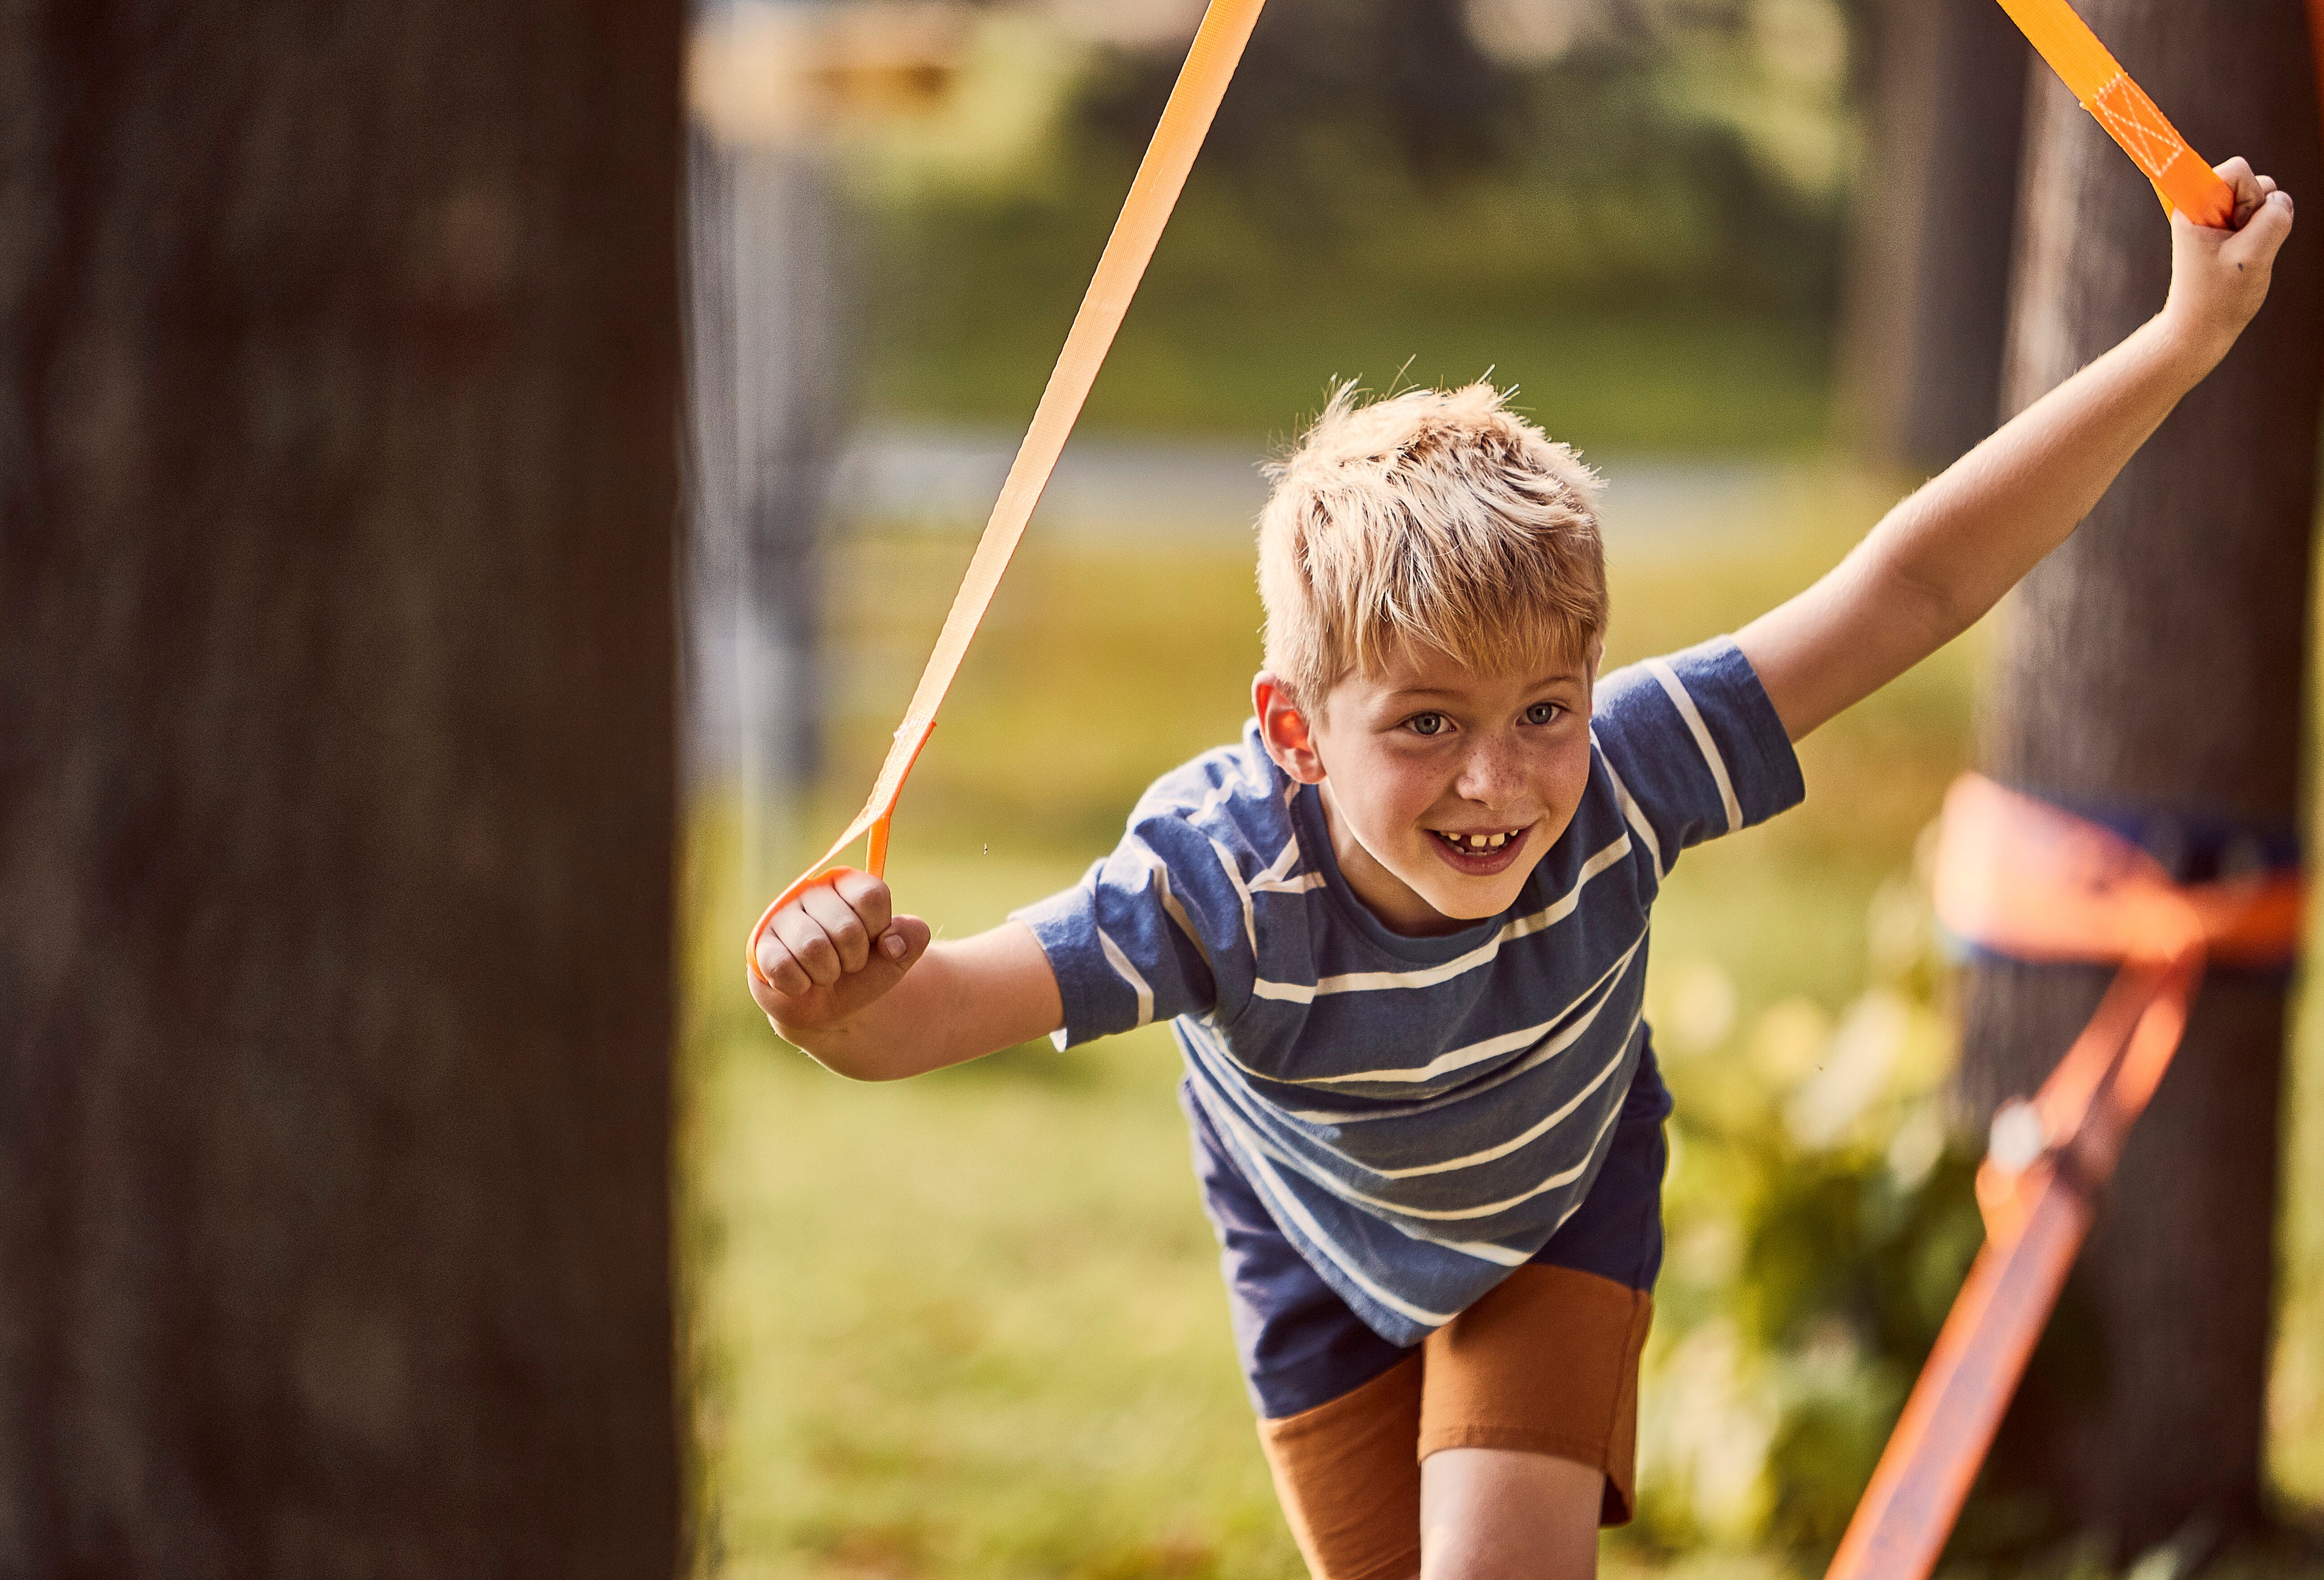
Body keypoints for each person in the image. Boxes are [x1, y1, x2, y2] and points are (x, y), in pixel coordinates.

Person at [747, 160, 2293, 1579]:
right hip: (1317, 1259)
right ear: (1293, 730)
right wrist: (829, 999)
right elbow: (923, 1020)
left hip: (1555, 1204)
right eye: (1426, 723)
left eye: (1542, 711)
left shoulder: (1629, 773)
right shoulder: (1214, 883)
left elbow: (1916, 583)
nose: (1495, 781)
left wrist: (2179, 340)